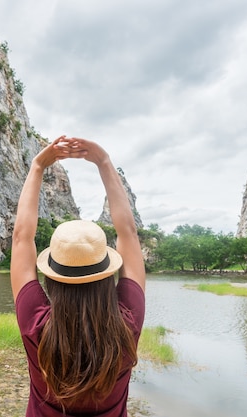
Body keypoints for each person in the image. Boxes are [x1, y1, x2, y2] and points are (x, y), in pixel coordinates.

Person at [10, 136, 146, 416]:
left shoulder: (35, 322)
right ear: (108, 273)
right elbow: (129, 235)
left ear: (52, 277)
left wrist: (37, 166)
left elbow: (22, 238)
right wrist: (103, 162)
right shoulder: (127, 322)